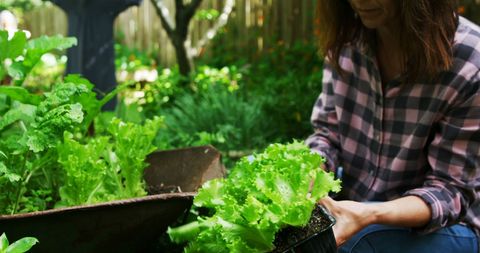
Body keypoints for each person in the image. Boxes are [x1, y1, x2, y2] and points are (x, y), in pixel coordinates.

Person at [306, 0, 480, 252]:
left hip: (449, 225)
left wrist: (369, 214)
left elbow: (450, 190)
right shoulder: (347, 41)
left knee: (359, 244)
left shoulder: (470, 61)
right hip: (359, 204)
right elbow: (327, 135)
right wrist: (311, 173)